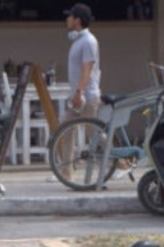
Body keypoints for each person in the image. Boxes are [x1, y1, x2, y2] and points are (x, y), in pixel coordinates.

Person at [56, 3, 101, 185]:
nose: (67, 19)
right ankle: (67, 171)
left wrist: (79, 91)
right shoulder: (78, 41)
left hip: (86, 96)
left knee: (93, 132)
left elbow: (87, 69)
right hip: (77, 96)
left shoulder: (88, 41)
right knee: (66, 129)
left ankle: (120, 162)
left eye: (70, 16)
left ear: (78, 20)